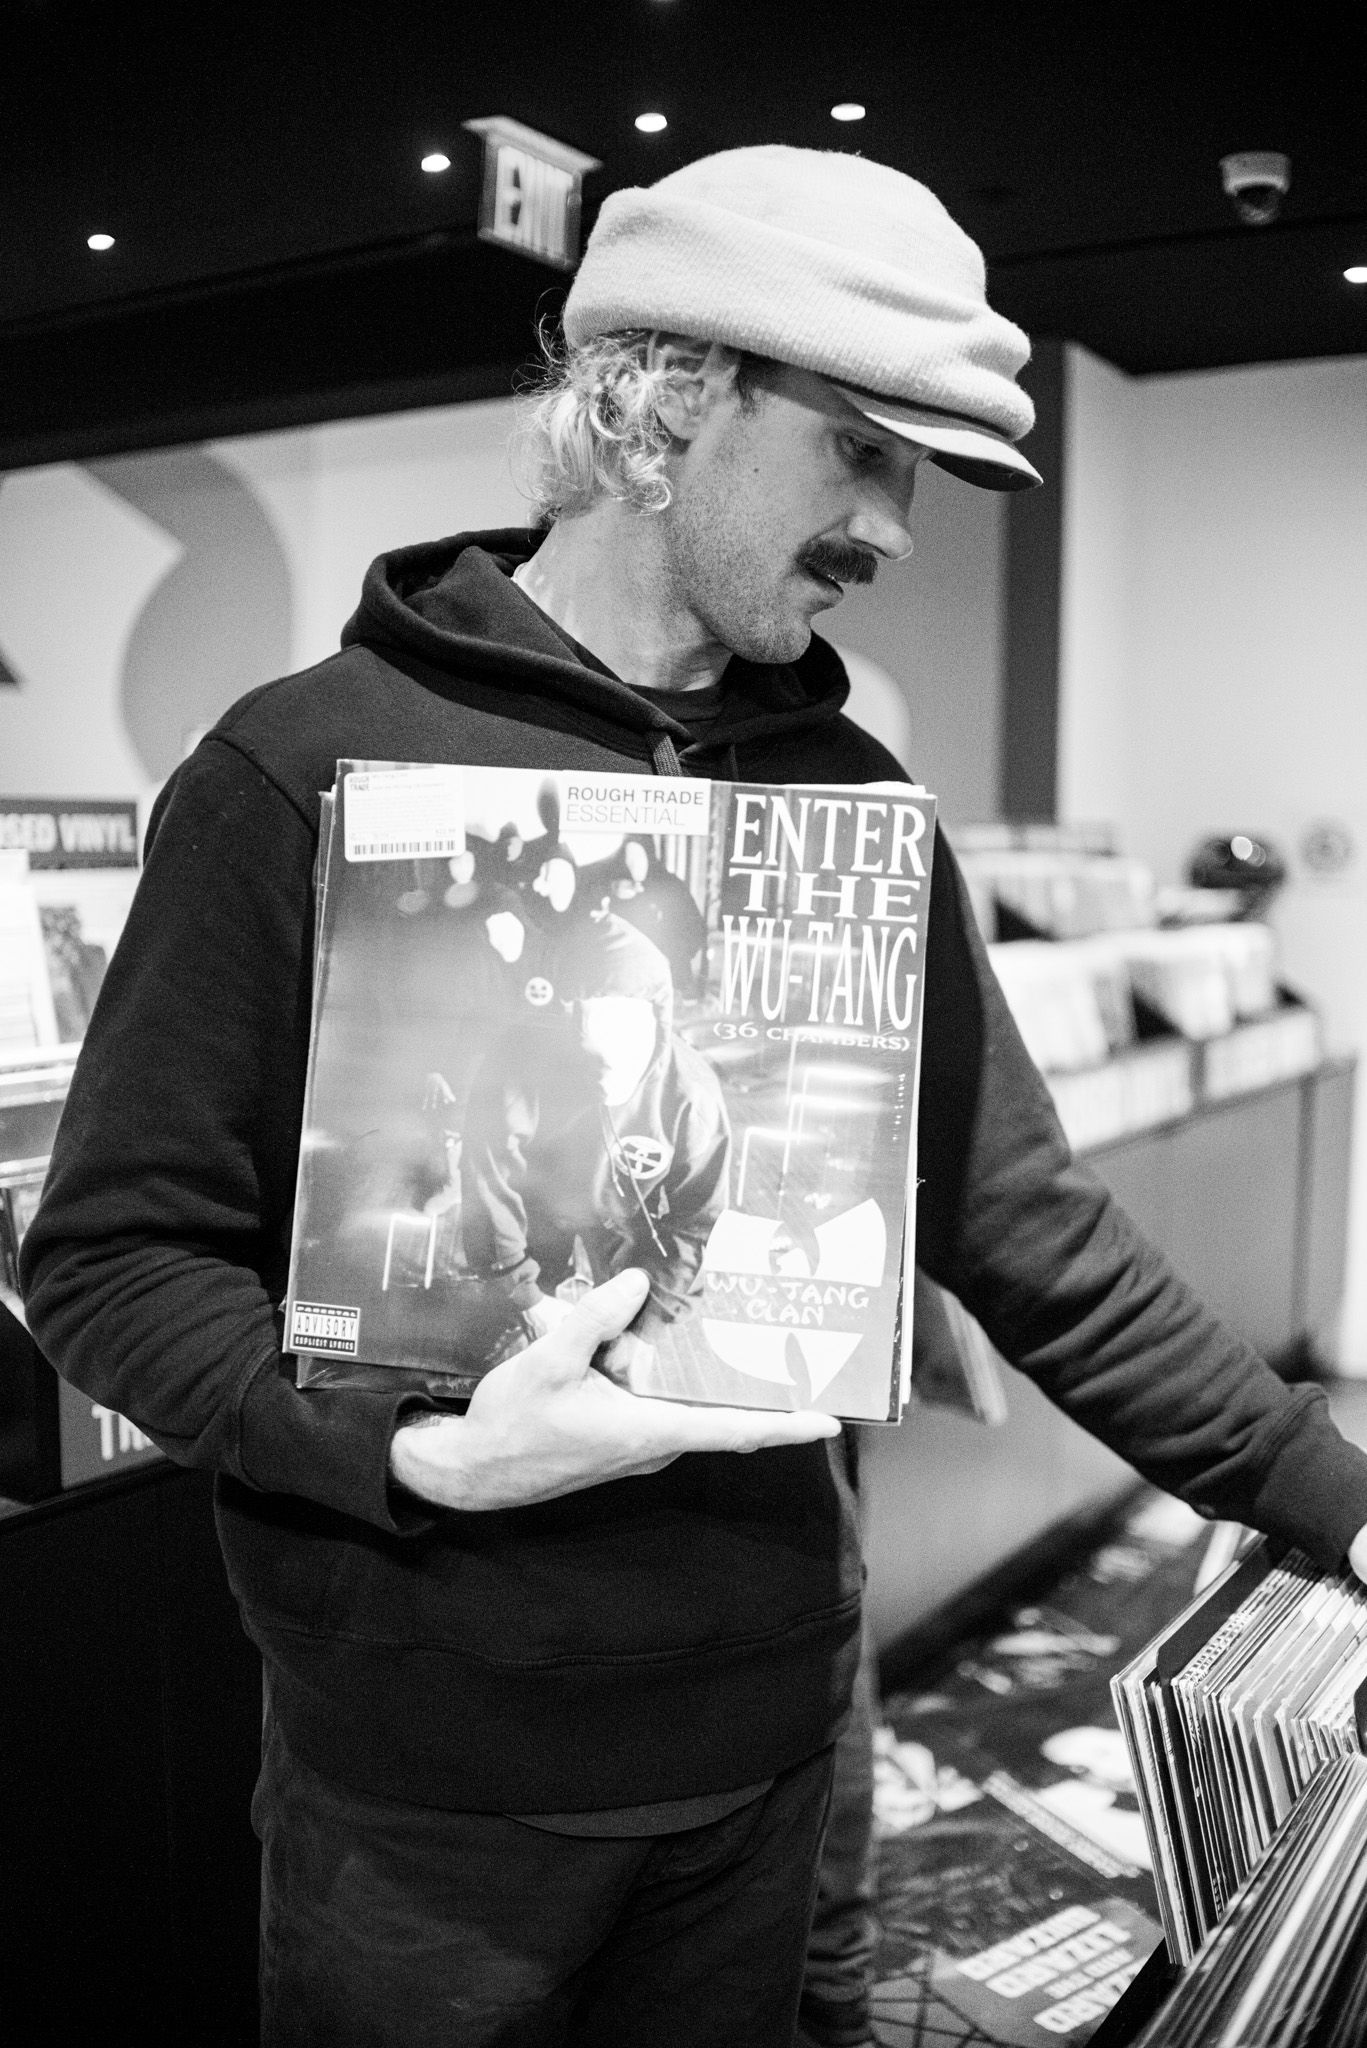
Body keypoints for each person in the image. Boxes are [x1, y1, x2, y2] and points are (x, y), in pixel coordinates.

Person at [20, 144, 1367, 2048]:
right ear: (659, 409)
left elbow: (1021, 1221)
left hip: (771, 1728)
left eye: (918, 473)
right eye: (860, 451)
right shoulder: (298, 769)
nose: (892, 528)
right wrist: (409, 1449)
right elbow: (111, 1257)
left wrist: (1332, 1493)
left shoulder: (851, 802)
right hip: (425, 1779)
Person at [459, 910, 730, 1375]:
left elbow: (699, 1223)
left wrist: (648, 1327)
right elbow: (488, 1180)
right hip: (536, 1203)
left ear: (655, 1025)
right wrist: (522, 1294)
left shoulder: (692, 1094)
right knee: (511, 1353)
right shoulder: (515, 1063)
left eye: (619, 1062)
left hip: (627, 1217)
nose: (608, 1083)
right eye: (592, 1062)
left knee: (626, 1356)